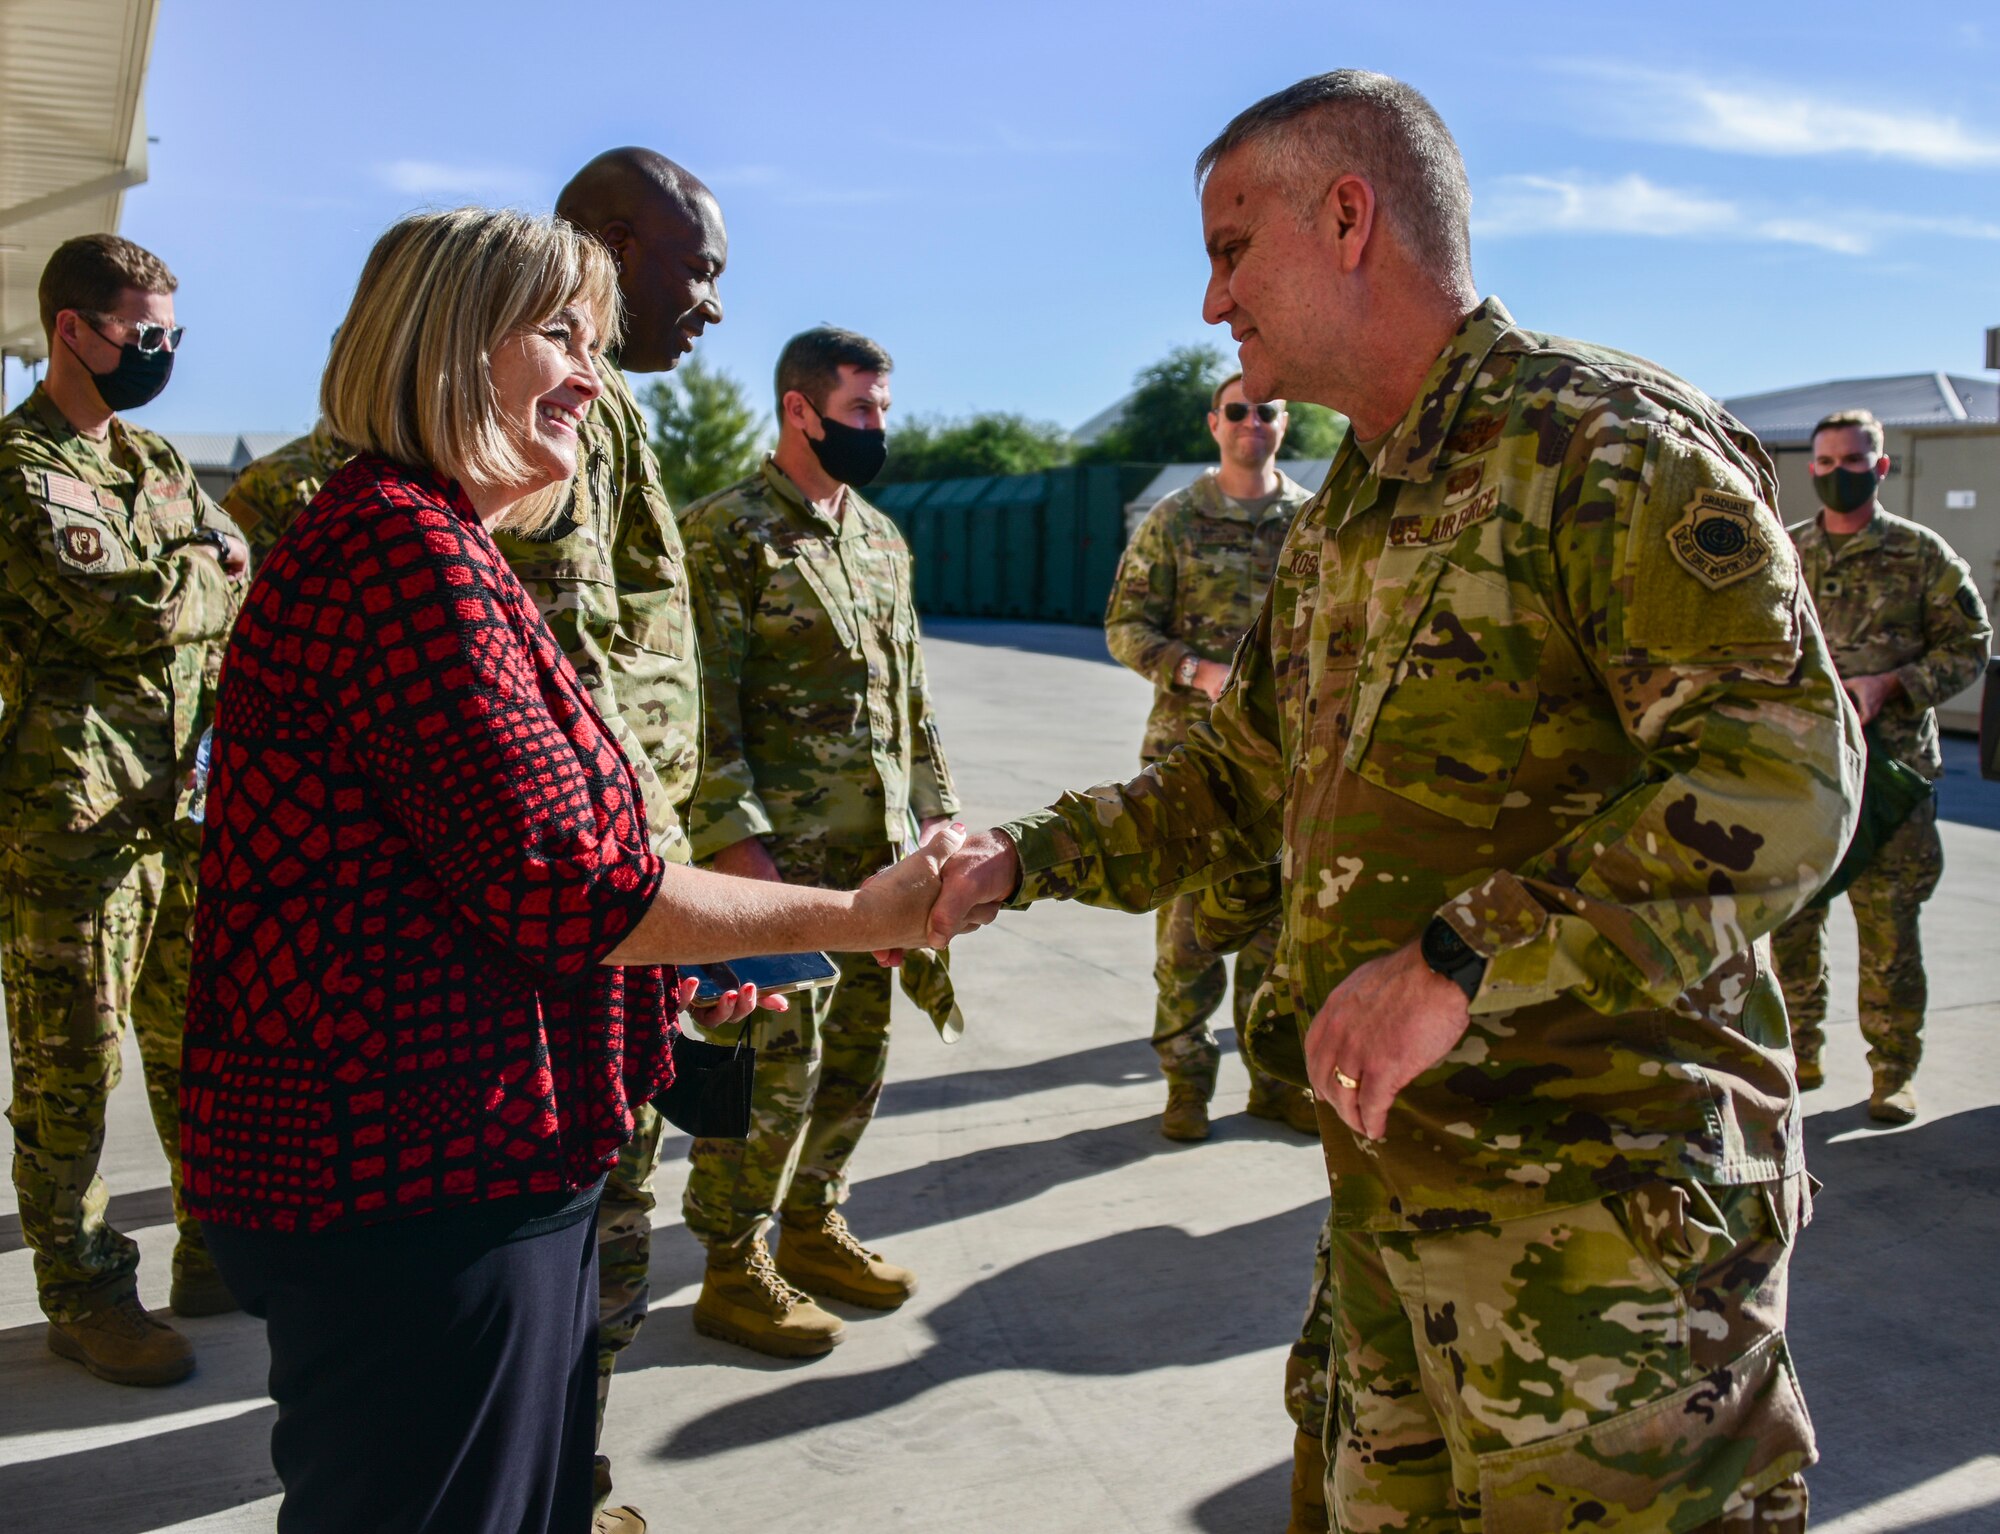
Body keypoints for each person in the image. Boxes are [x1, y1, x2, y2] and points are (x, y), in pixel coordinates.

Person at [930, 71, 1858, 1532]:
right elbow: (1237, 778)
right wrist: (1017, 858)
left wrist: (1458, 955)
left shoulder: (1602, 448)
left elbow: (1786, 773)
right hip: (1390, 1209)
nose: (1211, 301)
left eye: (1234, 248)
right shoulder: (1346, 513)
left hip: (1608, 1238)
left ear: (1349, 216)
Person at [181, 208, 960, 1534]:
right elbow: (573, 885)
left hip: (453, 1155)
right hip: (413, 1180)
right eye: (561, 334)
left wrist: (687, 969)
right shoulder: (399, 551)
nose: (594, 381)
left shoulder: (434, 539)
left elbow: (489, 875)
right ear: (445, 341)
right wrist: (850, 912)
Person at [0, 233, 252, 1386]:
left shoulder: (150, 455)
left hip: (180, 810)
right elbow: (126, 613)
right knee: (72, 1066)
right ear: (70, 331)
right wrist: (200, 572)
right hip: (74, 824)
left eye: (169, 336)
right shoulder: (17, 470)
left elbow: (232, 562)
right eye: (142, 336)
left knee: (198, 1044)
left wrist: (197, 573)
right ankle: (85, 1289)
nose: (158, 355)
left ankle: (212, 1250)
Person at [677, 326, 958, 1358]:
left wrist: (941, 814)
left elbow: (910, 698)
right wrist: (735, 855)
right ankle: (729, 1259)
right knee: (766, 1065)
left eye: (883, 409)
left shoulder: (880, 538)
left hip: (879, 866)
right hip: (779, 872)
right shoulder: (724, 534)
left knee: (856, 1057)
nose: (876, 428)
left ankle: (812, 1220)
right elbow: (701, 711)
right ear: (800, 410)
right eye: (860, 410)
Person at [1105, 371, 1316, 1141]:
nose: (1251, 422)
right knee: (1188, 939)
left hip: (1291, 766)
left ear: (1284, 424)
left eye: (1266, 410)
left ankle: (1274, 1084)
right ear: (1214, 423)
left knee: (1279, 941)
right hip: (1192, 761)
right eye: (1238, 411)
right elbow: (1124, 625)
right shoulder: (1176, 519)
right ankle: (1186, 1085)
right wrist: (1196, 670)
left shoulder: (1313, 521)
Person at [1770, 409, 1990, 1123]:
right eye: (1827, 464)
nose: (1840, 474)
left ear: (1882, 466)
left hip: (1892, 779)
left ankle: (1893, 1072)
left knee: (1891, 932)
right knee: (1793, 925)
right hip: (1806, 776)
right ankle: (1799, 1053)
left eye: (1854, 461)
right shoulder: (1787, 555)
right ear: (1812, 469)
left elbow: (1970, 646)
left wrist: (1892, 685)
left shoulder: (1922, 556)